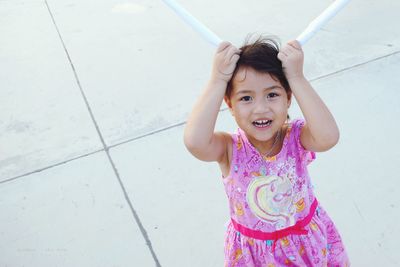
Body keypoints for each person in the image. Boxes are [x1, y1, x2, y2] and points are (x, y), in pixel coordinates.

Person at [183, 36, 349, 266]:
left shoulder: (296, 137)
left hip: (306, 245)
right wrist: (217, 79)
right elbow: (195, 142)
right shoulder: (229, 148)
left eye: (272, 94)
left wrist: (297, 77)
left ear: (288, 98)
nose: (261, 109)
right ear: (229, 104)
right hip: (255, 255)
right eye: (246, 98)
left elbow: (328, 137)